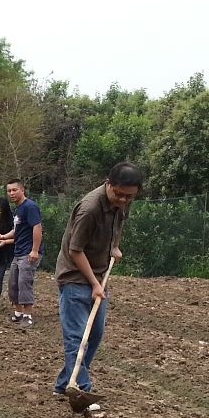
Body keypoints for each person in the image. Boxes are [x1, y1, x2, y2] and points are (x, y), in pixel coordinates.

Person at [53, 162, 143, 396]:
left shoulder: (122, 203)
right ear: (108, 184)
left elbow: (118, 224)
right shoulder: (90, 208)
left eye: (129, 196)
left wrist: (114, 246)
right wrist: (93, 283)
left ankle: (64, 384)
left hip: (99, 275)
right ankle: (83, 390)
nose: (123, 200)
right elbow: (75, 250)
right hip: (74, 276)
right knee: (77, 337)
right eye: (119, 194)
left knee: (94, 335)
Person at [5, 179, 43, 326]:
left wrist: (34, 250)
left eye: (14, 190)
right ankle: (18, 313)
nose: (11, 193)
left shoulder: (30, 207)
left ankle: (28, 316)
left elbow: (37, 227)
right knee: (13, 283)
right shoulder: (18, 209)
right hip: (18, 252)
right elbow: (17, 231)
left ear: (22, 190)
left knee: (24, 283)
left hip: (28, 253)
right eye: (9, 191)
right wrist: (3, 237)